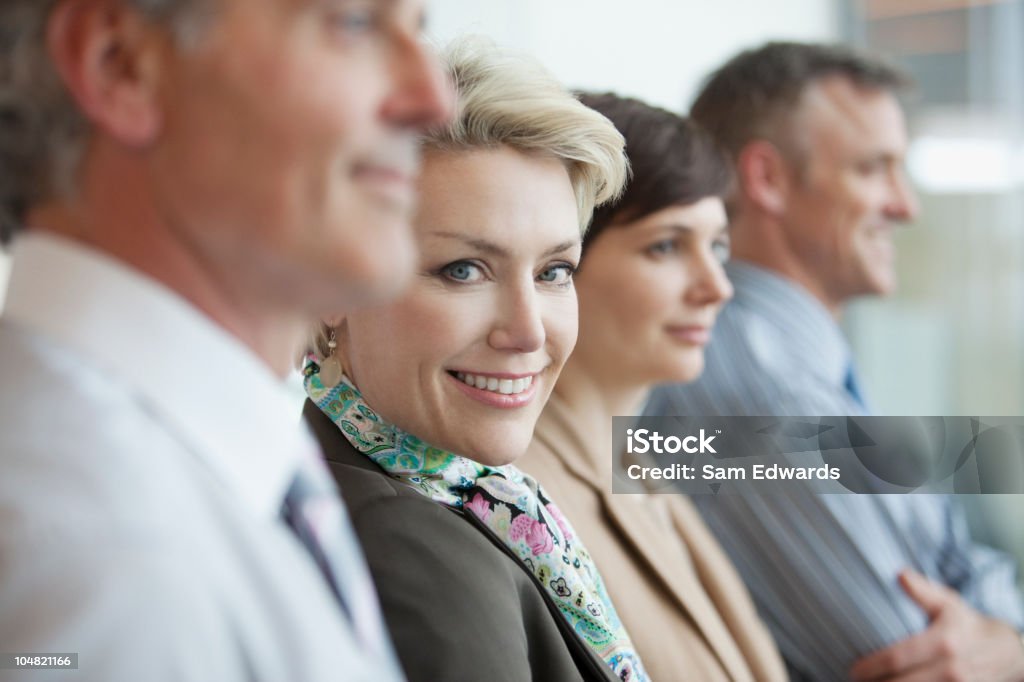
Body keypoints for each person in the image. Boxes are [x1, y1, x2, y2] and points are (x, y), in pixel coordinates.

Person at [0, 1, 451, 681]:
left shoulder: (184, 471)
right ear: (120, 65)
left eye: (421, 28)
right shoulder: (103, 558)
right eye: (355, 21)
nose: (435, 98)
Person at [647, 41, 1024, 681]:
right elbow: (919, 658)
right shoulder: (770, 398)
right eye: (874, 169)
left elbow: (962, 569)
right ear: (767, 179)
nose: (907, 206)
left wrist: (1007, 645)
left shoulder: (794, 367)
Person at [301, 38, 641, 682]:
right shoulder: (405, 542)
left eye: (554, 270)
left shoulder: (452, 491)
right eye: (463, 270)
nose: (527, 330)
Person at [516, 92, 788, 682]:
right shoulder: (519, 496)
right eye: (666, 245)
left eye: (717, 246)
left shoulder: (642, 465)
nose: (717, 287)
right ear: (557, 264)